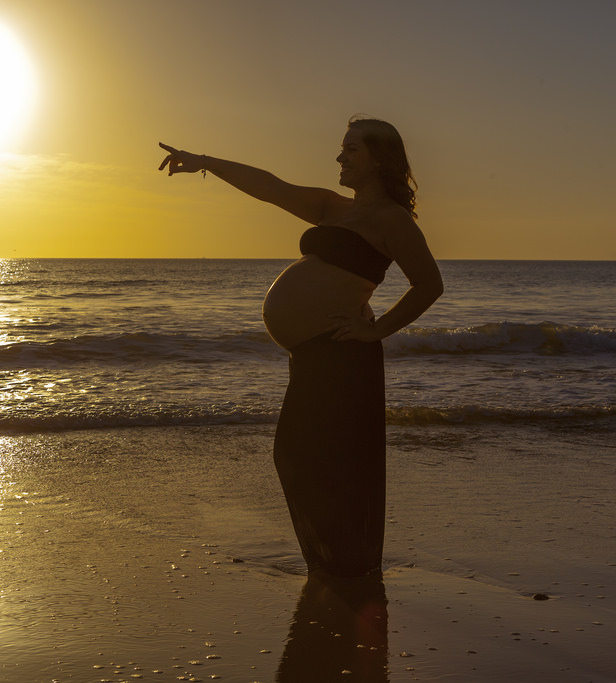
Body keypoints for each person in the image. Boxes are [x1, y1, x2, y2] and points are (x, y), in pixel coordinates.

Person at [159, 118, 443, 577]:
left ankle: (343, 566)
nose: (340, 157)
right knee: (303, 455)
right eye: (342, 148)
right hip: (315, 355)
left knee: (316, 457)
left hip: (343, 355)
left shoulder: (391, 220)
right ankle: (331, 562)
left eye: (351, 149)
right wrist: (204, 162)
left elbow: (429, 284)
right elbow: (269, 186)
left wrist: (377, 330)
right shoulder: (332, 208)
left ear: (378, 159)